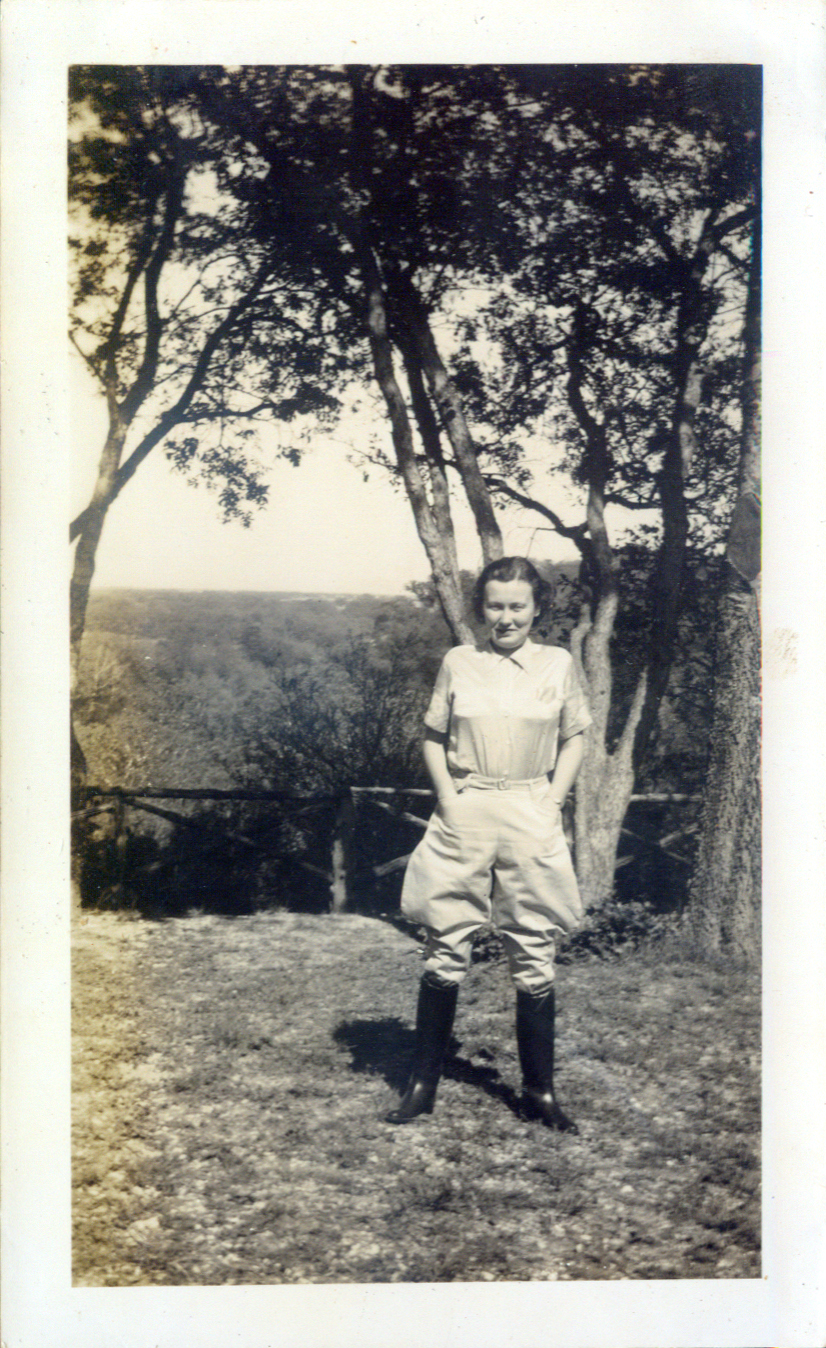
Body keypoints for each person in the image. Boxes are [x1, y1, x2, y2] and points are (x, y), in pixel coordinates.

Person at [386, 556, 591, 1131]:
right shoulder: (460, 662)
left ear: (536, 608)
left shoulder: (558, 664)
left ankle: (540, 1093)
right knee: (445, 940)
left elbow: (575, 737)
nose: (505, 618)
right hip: (468, 805)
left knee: (535, 945)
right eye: (495, 605)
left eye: (517, 606)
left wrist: (552, 801)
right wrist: (450, 800)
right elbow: (432, 736)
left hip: (531, 807)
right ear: (482, 608)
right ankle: (422, 1085)